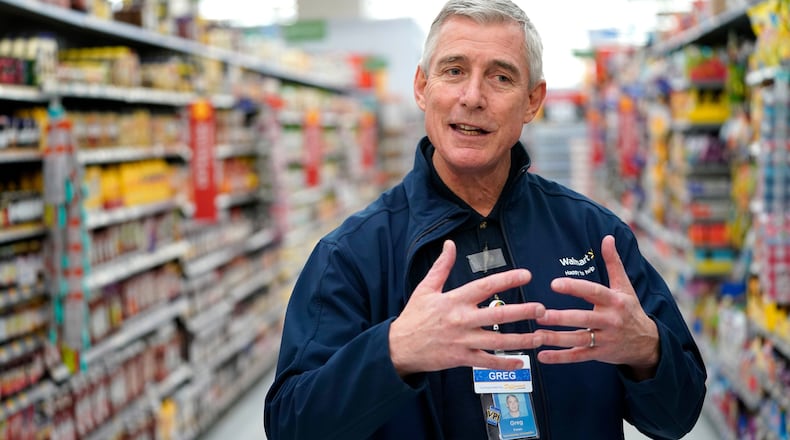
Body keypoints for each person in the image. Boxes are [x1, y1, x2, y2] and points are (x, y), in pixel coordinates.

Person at [264, 0, 707, 438]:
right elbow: (291, 424)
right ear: (422, 87)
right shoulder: (352, 255)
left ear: (532, 101)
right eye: (454, 70)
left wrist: (648, 350)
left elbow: (678, 415)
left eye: (500, 77)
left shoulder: (596, 236)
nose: (472, 97)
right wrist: (393, 352)